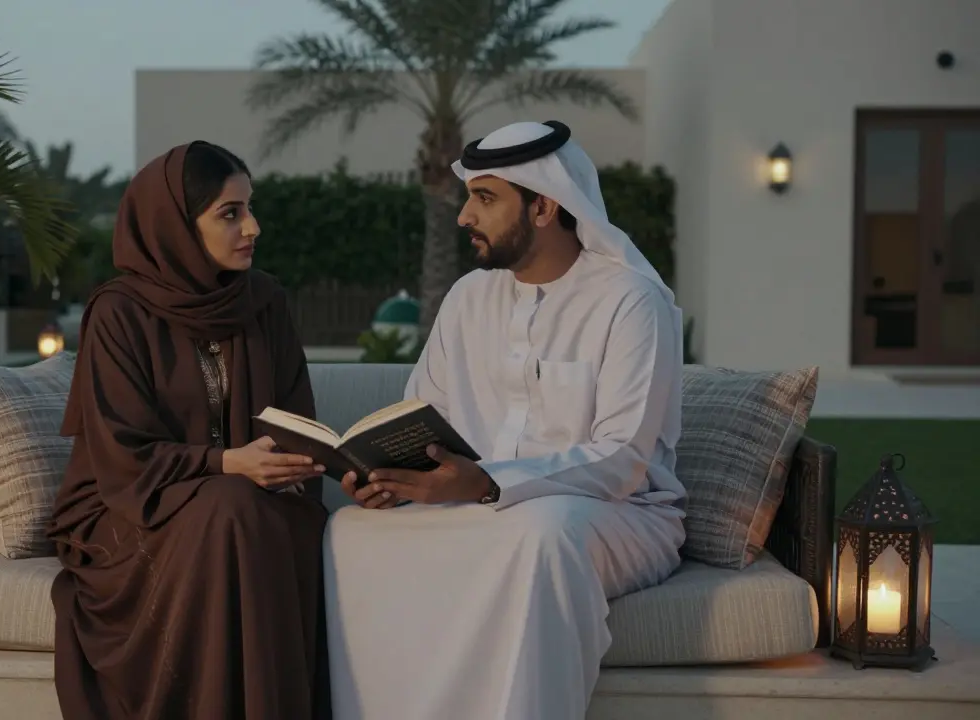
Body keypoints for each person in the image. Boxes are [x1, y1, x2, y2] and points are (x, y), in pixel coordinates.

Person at [323, 121, 688, 720]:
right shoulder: (469, 299)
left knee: (540, 532)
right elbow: (423, 414)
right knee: (350, 534)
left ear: (544, 206)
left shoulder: (630, 302)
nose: (465, 216)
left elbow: (624, 459)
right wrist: (389, 474)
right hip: (474, 505)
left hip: (618, 515)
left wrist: (489, 482)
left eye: (485, 199)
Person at [47, 141, 331, 720]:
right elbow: (120, 455)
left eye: (250, 208)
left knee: (255, 512)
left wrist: (332, 465)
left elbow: (297, 424)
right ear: (175, 225)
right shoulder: (119, 313)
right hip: (127, 508)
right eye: (229, 213)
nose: (252, 226)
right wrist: (229, 464)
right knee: (233, 507)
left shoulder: (264, 302)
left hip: (251, 501)